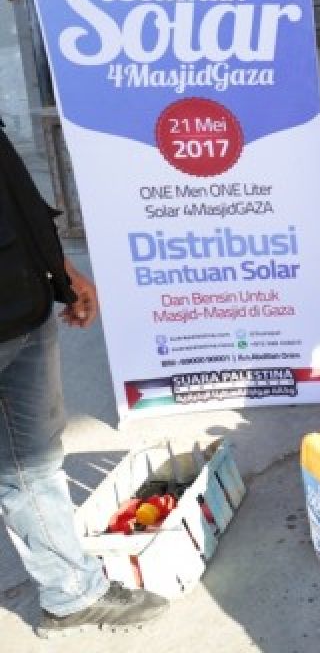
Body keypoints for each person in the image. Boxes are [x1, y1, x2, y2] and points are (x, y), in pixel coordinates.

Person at [0, 121, 169, 638]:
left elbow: (16, 195)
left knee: (34, 464)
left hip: (25, 310)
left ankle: (71, 594)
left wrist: (62, 272)